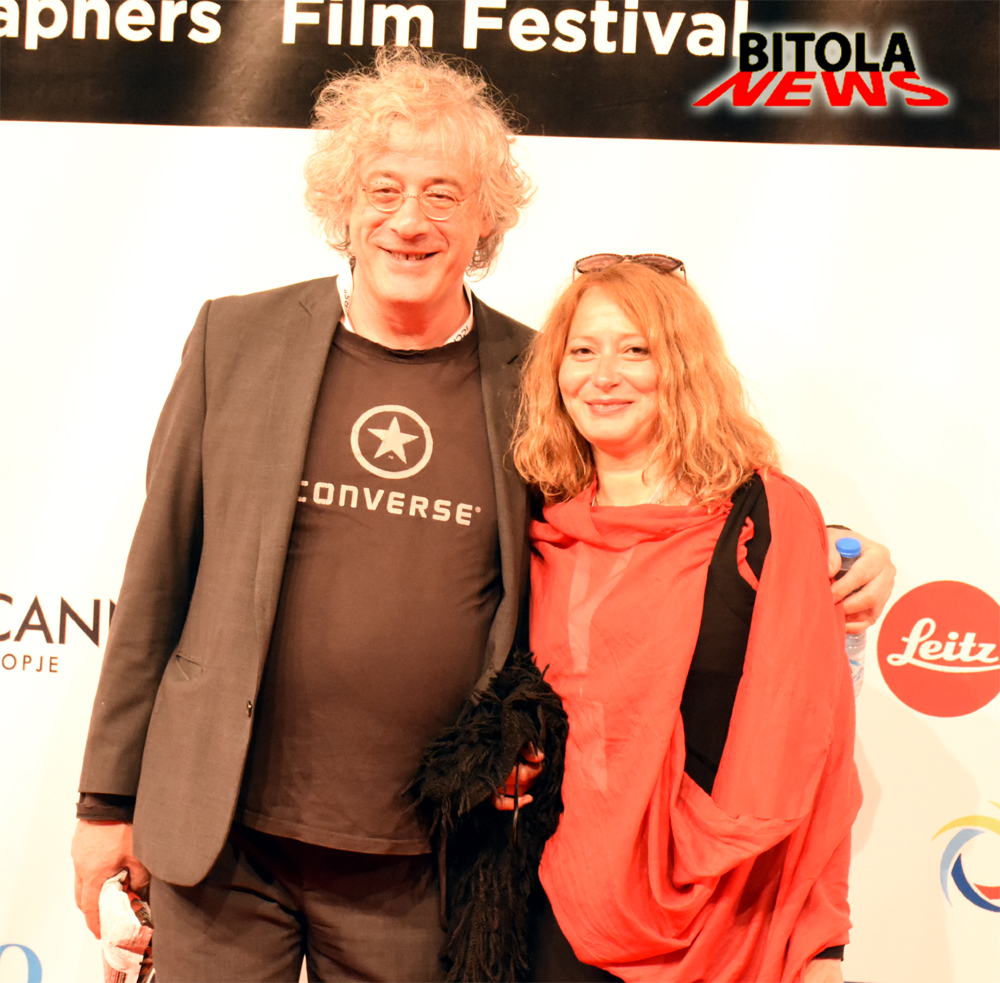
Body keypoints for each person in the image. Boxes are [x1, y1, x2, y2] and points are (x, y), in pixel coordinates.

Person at [70, 49, 892, 982]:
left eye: (443, 195)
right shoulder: (237, 339)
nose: (409, 221)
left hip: (423, 856)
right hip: (222, 844)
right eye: (384, 190)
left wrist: (831, 549)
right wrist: (106, 802)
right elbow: (157, 579)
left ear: (486, 219)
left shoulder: (537, 373)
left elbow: (653, 498)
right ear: (343, 206)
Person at [510, 255, 864, 983]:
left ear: (683, 364)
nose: (604, 375)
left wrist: (820, 943)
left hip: (735, 912)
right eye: (583, 350)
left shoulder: (766, 516)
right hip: (559, 904)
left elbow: (818, 744)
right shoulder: (536, 518)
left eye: (635, 350)